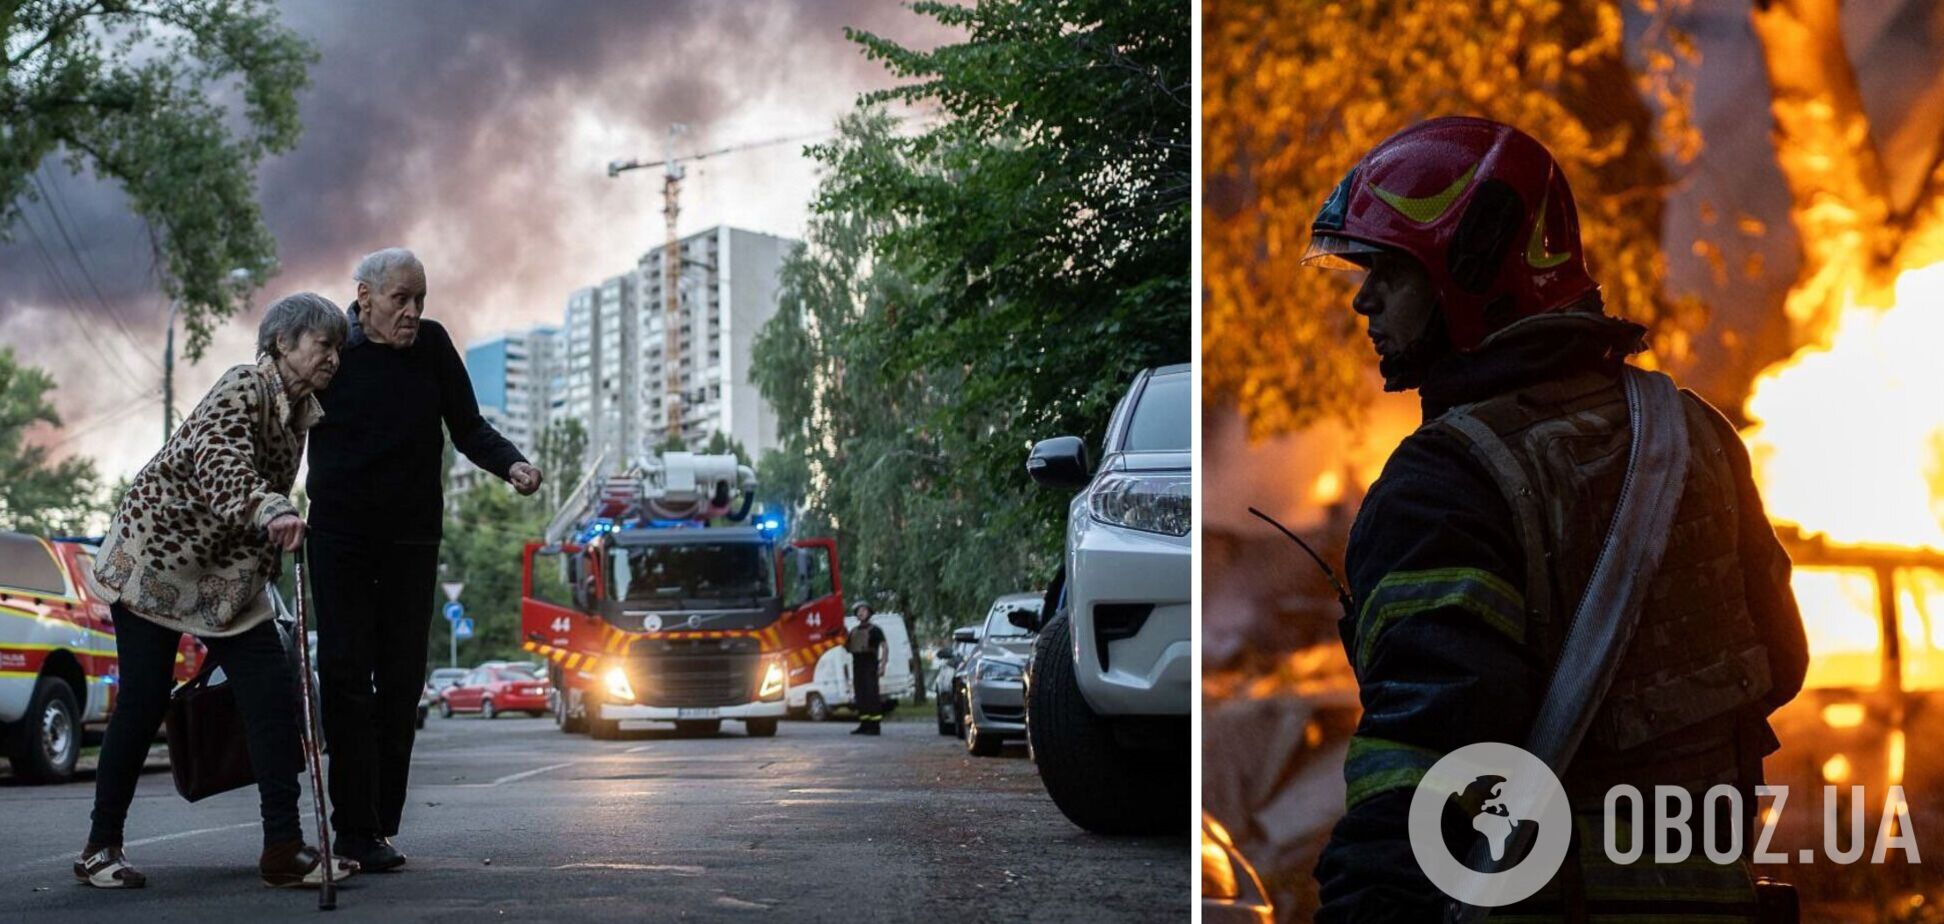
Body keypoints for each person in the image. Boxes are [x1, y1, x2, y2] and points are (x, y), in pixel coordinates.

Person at [1302, 117, 1809, 921]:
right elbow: (1781, 663)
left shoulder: (1444, 482)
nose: (1363, 299)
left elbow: (1425, 773)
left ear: (1467, 273)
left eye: (1390, 273)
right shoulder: (1694, 434)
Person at [81, 293, 359, 890]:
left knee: (271, 694)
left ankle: (283, 849)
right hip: (157, 561)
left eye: (339, 347)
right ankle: (100, 848)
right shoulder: (244, 386)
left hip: (225, 578)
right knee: (143, 702)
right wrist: (271, 508)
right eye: (322, 344)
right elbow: (222, 460)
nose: (334, 357)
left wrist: (269, 537)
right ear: (282, 344)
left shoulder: (299, 411)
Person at [304, 248, 543, 871]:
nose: (412, 313)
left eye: (420, 300)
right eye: (399, 300)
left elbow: (467, 426)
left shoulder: (433, 347)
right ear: (364, 298)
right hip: (341, 540)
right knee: (347, 678)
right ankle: (352, 827)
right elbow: (285, 420)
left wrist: (511, 463)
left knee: (404, 681)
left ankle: (379, 824)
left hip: (411, 542)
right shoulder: (333, 352)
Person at [846, 602, 888, 735]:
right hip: (857, 665)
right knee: (861, 695)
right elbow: (848, 648)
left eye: (863, 610)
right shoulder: (853, 631)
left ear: (869, 613)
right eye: (858, 611)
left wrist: (882, 665)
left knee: (871, 695)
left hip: (870, 665)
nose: (861, 613)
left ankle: (875, 726)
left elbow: (885, 647)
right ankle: (864, 724)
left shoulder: (875, 630)